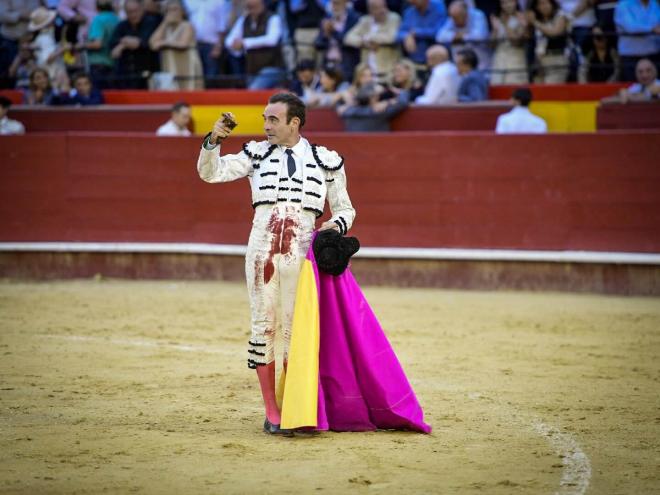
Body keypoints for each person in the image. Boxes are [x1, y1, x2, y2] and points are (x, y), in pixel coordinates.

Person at [195, 92, 355, 435]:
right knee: (263, 327)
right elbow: (212, 174)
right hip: (261, 249)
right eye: (265, 119)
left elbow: (345, 209)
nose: (266, 125)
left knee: (296, 331)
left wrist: (336, 225)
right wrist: (213, 141)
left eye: (273, 120)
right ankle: (273, 410)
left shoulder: (326, 160)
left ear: (293, 123)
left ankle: (294, 403)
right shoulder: (256, 154)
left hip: (301, 252)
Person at [225, 0, 286, 89]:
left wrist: (244, 43)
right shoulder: (244, 20)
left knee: (253, 90)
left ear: (262, 4)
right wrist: (235, 44)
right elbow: (228, 41)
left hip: (272, 68)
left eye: (254, 6)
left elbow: (272, 40)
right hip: (251, 70)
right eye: (249, 7)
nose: (251, 9)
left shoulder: (273, 18)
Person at [149, 0, 204, 89]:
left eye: (175, 10)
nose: (172, 13)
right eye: (169, 10)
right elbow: (152, 43)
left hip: (186, 65)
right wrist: (165, 23)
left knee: (189, 89)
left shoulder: (187, 25)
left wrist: (163, 43)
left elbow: (183, 44)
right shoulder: (165, 28)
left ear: (182, 11)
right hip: (170, 65)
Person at [344, 0, 402, 83]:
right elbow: (348, 38)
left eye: (384, 6)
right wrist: (364, 43)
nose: (382, 10)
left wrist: (369, 38)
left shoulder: (394, 18)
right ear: (370, 10)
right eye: (377, 8)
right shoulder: (365, 20)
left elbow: (392, 37)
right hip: (367, 75)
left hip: (388, 74)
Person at [109, 0, 160, 88]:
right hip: (126, 77)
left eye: (135, 11)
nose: (133, 15)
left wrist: (122, 45)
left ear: (142, 9)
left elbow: (140, 43)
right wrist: (126, 42)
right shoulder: (122, 26)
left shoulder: (151, 22)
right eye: (129, 12)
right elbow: (113, 50)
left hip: (148, 74)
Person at [182, 0, 231, 82]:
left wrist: (219, 45)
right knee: (193, 75)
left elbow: (222, 25)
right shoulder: (187, 1)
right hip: (191, 45)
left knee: (211, 76)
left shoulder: (219, 2)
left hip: (211, 45)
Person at [314, 0, 361, 82]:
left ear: (345, 3)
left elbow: (350, 43)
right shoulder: (327, 18)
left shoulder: (354, 18)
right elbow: (318, 45)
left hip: (346, 66)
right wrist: (325, 34)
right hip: (328, 64)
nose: (334, 6)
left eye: (337, 3)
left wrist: (333, 32)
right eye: (333, 3)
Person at [436, 0, 490, 71]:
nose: (454, 21)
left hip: (480, 59)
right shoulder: (453, 18)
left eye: (457, 18)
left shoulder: (477, 15)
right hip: (461, 63)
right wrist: (453, 36)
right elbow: (440, 37)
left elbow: (480, 36)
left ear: (465, 14)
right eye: (453, 18)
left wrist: (463, 37)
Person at [76, 0, 119, 89]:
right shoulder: (116, 19)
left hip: (99, 65)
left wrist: (81, 46)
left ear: (96, 7)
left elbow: (97, 44)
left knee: (99, 96)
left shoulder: (98, 19)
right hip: (114, 64)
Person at [614, 0, 660, 82]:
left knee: (655, 89)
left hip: (653, 55)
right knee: (632, 89)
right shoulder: (623, 5)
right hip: (631, 56)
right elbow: (630, 27)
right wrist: (652, 29)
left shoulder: (654, 4)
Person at [28, 7, 71, 93]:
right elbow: (48, 58)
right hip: (53, 76)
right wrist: (64, 49)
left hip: (51, 75)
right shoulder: (45, 38)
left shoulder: (43, 37)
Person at [337, 80, 408, 130]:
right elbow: (403, 101)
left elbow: (338, 104)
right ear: (373, 98)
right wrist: (390, 94)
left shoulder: (347, 111)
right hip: (380, 147)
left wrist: (349, 102)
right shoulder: (380, 110)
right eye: (378, 95)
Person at [528, 0, 571, 83]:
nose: (544, 6)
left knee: (550, 90)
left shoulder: (561, 15)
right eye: (540, 4)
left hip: (557, 59)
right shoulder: (538, 19)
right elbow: (527, 36)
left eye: (546, 3)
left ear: (552, 4)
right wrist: (527, 22)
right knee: (538, 92)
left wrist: (534, 22)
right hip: (539, 62)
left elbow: (555, 32)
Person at [397, 0, 447, 66]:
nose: (412, 1)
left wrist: (416, 33)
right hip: (415, 61)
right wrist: (407, 36)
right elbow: (398, 34)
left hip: (437, 62)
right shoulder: (409, 12)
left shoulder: (438, 7)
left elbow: (440, 32)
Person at [489, 0, 528, 84]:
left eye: (510, 2)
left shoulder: (522, 17)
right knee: (497, 88)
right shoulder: (496, 18)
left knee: (514, 87)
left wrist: (505, 24)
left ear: (516, 2)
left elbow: (516, 42)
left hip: (516, 59)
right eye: (503, 2)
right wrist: (495, 30)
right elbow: (491, 45)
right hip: (499, 59)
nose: (507, 5)